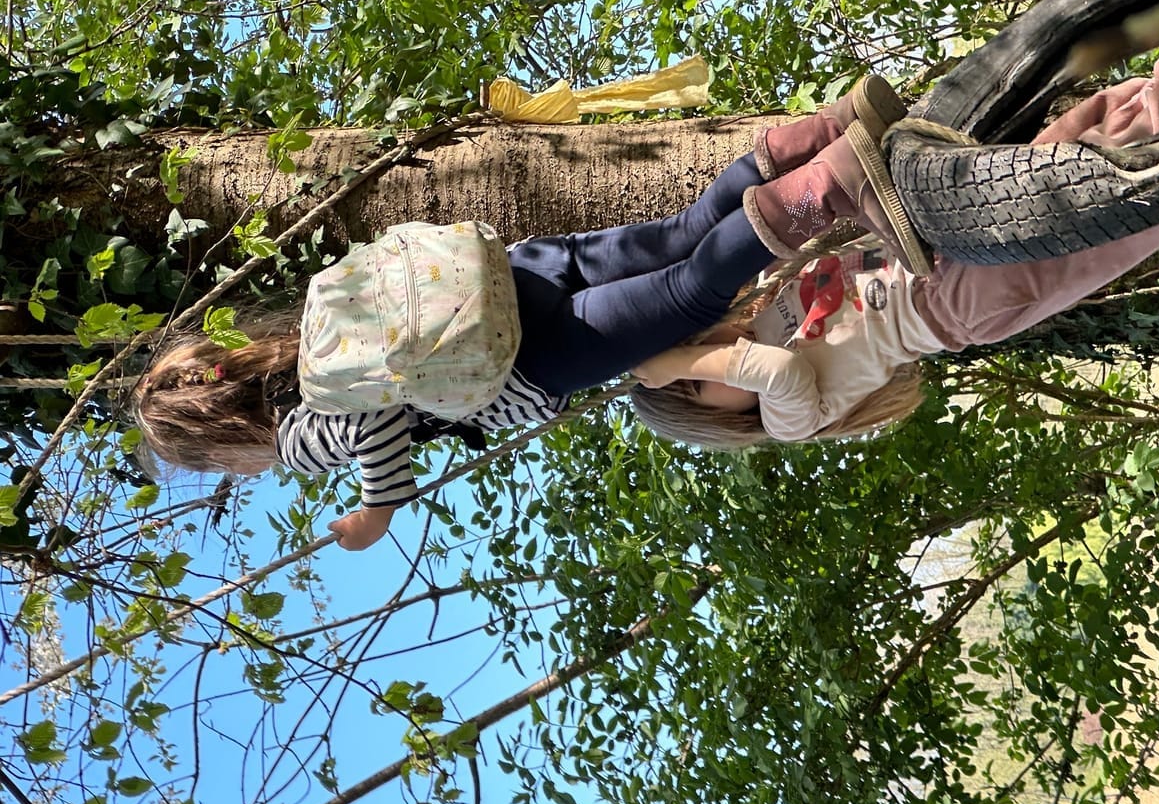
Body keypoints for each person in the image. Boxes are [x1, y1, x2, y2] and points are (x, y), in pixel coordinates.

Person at [130, 74, 914, 549]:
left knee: (691, 295)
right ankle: (827, 129)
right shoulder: (311, 335)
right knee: (681, 232)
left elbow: (375, 422)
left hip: (528, 358)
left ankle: (832, 183)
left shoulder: (299, 430)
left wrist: (378, 510)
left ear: (224, 441)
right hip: (515, 275)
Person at [629, 0, 1159, 450]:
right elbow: (779, 371)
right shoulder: (787, 417)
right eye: (694, 390)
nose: (701, 370)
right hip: (949, 305)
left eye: (691, 363)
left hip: (929, 236)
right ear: (719, 421)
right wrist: (679, 362)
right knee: (1087, 212)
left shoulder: (760, 299)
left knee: (1061, 154)